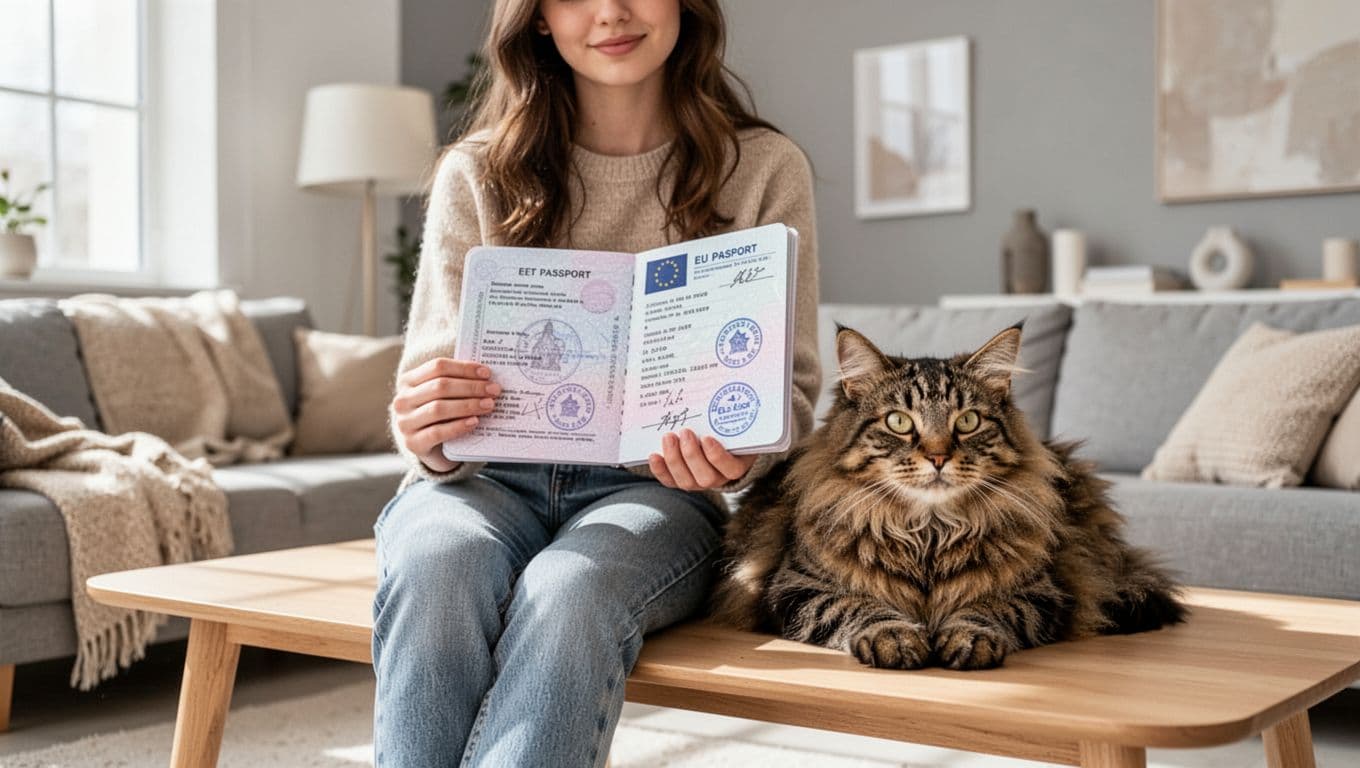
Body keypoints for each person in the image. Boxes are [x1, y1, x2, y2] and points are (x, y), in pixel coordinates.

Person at [374, 0, 820, 765]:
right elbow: (430, 381)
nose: (611, 12)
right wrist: (427, 427)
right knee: (437, 567)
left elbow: (794, 391)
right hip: (481, 483)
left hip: (655, 492)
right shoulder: (475, 171)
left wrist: (743, 452)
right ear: (538, 18)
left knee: (571, 591)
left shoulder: (765, 168)